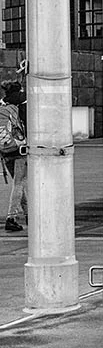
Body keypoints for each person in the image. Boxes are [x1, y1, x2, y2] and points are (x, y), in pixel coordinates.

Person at [1, 78, 27, 233]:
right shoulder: (21, 103)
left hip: (5, 150)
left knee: (19, 183)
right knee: (19, 183)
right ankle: (11, 218)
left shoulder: (2, 104)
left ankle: (28, 214)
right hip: (19, 149)